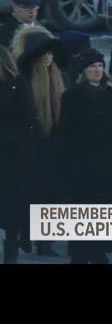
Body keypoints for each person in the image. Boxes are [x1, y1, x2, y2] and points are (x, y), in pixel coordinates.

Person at [59, 49, 112, 264]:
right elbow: (65, 132)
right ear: (84, 71)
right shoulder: (71, 96)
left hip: (106, 163)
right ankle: (82, 252)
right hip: (81, 164)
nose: (97, 70)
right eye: (93, 67)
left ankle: (97, 251)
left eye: (100, 66)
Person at [12, 26, 68, 257]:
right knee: (29, 195)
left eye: (50, 52)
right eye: (43, 53)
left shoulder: (61, 78)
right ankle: (25, 234)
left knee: (51, 194)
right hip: (28, 149)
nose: (47, 57)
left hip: (54, 146)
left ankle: (44, 242)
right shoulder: (22, 83)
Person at [0, 46, 33, 263]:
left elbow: (26, 118)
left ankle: (11, 248)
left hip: (10, 156)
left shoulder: (17, 85)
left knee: (10, 206)